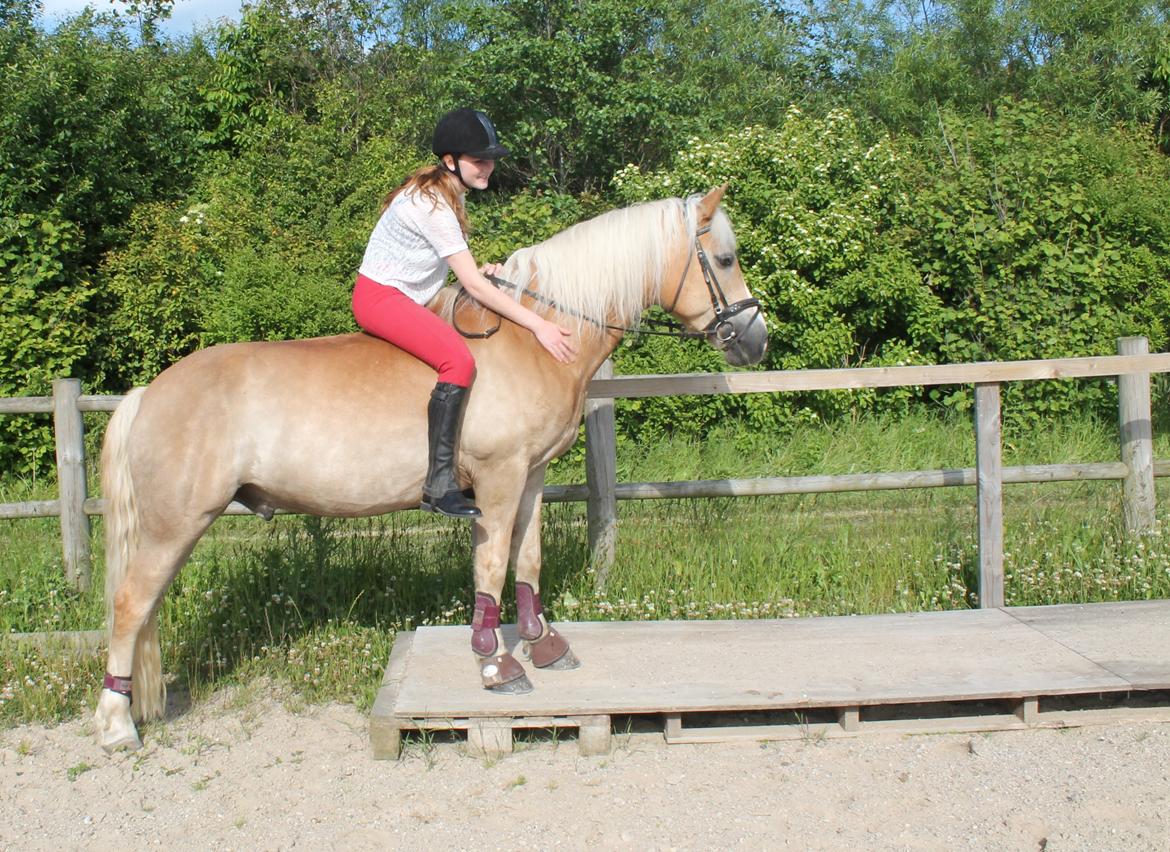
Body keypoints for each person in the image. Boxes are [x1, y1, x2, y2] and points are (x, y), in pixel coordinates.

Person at [352, 108, 577, 519]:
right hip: (382, 299)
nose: (488, 166)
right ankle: (440, 485)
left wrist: (482, 271)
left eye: (491, 158)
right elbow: (471, 285)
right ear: (451, 160)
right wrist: (539, 324)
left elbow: (463, 271)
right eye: (479, 159)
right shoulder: (433, 206)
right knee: (457, 360)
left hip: (409, 296)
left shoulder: (440, 194)